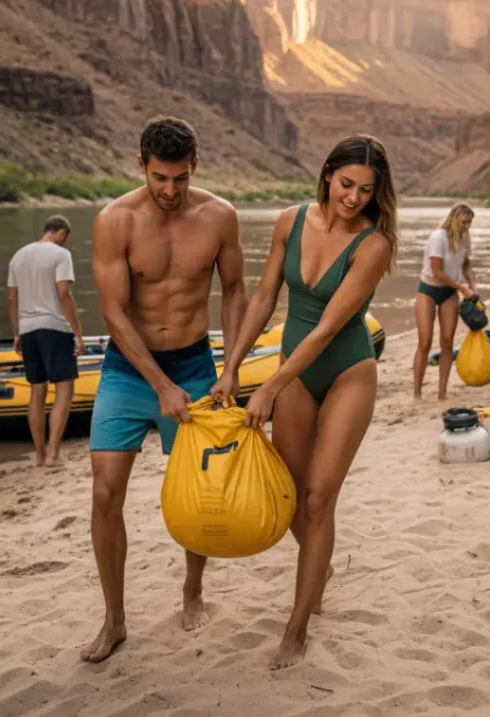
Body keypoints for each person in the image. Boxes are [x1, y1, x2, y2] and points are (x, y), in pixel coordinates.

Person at [210, 135, 397, 670]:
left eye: (366, 190)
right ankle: (321, 562)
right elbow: (265, 297)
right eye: (346, 184)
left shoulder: (373, 245)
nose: (353, 198)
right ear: (326, 174)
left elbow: (326, 329)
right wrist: (231, 369)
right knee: (289, 498)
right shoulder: (290, 222)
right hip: (294, 372)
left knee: (319, 500)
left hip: (346, 372)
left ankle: (296, 627)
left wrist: (268, 385)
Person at [80, 116, 249, 663]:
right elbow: (113, 311)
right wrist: (160, 385)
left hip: (198, 364)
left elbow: (236, 290)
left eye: (179, 178)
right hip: (130, 371)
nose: (170, 191)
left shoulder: (220, 216)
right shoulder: (115, 221)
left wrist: (232, 367)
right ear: (140, 167)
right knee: (105, 493)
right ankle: (115, 619)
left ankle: (193, 590)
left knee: (200, 493)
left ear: (195, 166)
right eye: (159, 178)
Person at [7, 214, 85, 467]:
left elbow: (11, 299)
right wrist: (78, 333)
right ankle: (53, 453)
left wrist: (17, 333)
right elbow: (64, 293)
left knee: (37, 391)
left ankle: (39, 454)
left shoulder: (18, 256)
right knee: (64, 389)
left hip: (28, 330)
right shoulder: (60, 255)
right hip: (53, 327)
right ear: (62, 233)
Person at [413, 203, 478, 400]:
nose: (466, 227)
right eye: (464, 222)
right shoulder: (438, 237)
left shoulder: (465, 239)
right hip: (428, 290)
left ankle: (442, 392)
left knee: (447, 341)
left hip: (449, 292)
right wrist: (462, 288)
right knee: (425, 342)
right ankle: (417, 392)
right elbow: (437, 272)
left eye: (469, 223)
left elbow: (466, 266)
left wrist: (473, 288)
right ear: (454, 219)